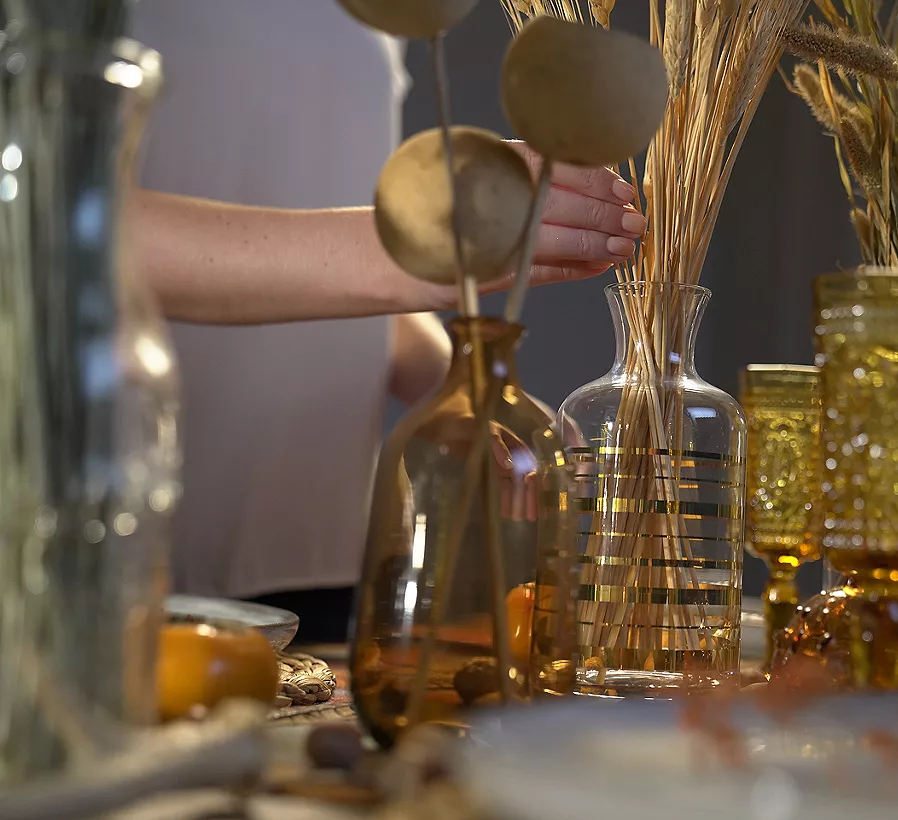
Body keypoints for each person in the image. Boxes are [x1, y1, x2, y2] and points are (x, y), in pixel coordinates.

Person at [129, 1, 639, 643]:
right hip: (123, 543)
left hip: (326, 552)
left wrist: (465, 392)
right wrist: (406, 247)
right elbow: (59, 230)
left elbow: (320, 246)